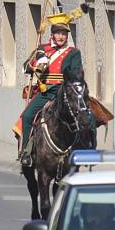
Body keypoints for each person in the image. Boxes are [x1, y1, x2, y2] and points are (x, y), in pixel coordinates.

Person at [17, 12, 86, 166]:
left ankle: (84, 147)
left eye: (63, 33)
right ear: (52, 34)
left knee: (83, 115)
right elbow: (25, 66)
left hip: (65, 93)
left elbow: (76, 72)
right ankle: (26, 152)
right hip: (45, 92)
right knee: (27, 116)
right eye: (58, 33)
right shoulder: (43, 48)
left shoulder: (73, 53)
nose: (61, 36)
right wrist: (34, 66)